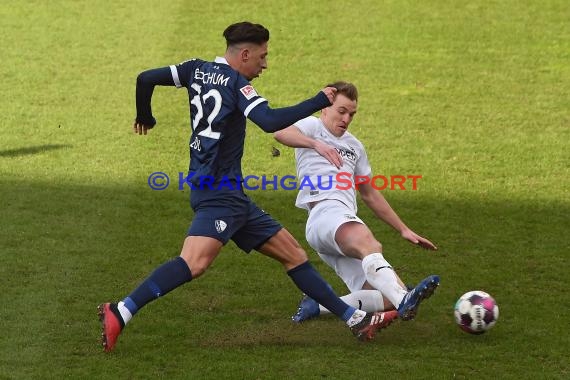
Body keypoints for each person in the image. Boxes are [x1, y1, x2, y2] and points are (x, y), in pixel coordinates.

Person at [98, 23, 401, 352]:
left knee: (293, 254)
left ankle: (354, 319)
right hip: (219, 195)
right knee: (194, 263)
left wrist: (146, 115)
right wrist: (317, 100)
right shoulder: (235, 84)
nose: (265, 64)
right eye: (262, 56)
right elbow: (269, 121)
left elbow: (145, 78)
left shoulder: (194, 68)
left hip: (227, 194)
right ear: (244, 54)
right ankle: (121, 311)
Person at [273, 81, 440, 323]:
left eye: (351, 114)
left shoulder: (355, 146)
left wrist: (403, 229)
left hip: (335, 225)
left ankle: (316, 305)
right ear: (325, 109)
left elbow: (369, 193)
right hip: (326, 213)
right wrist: (316, 145)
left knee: (384, 298)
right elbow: (279, 132)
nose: (346, 118)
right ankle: (405, 299)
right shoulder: (312, 126)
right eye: (341, 111)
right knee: (369, 244)